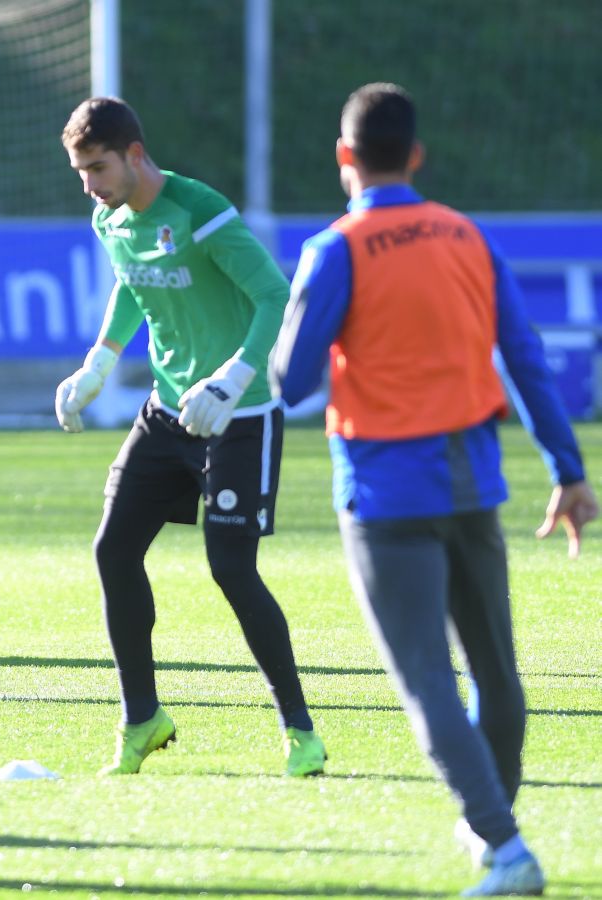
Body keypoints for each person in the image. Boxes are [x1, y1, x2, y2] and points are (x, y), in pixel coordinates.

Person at [272, 83, 596, 897]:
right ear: (415, 155)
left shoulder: (335, 250)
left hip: (386, 499)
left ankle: (508, 847)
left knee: (426, 684)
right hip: (473, 486)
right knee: (497, 674)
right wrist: (568, 470)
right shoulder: (467, 237)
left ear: (345, 157)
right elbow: (526, 360)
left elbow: (292, 378)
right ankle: (496, 832)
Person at [56, 97, 325, 776]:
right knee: (113, 550)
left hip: (242, 414)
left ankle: (301, 733)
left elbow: (274, 295)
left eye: (98, 167)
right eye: (80, 171)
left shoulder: (200, 211)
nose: (89, 184)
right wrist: (100, 361)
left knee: (231, 568)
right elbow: (130, 282)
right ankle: (142, 719)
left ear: (135, 155)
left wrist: (235, 379)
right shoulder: (107, 215)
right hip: (167, 410)